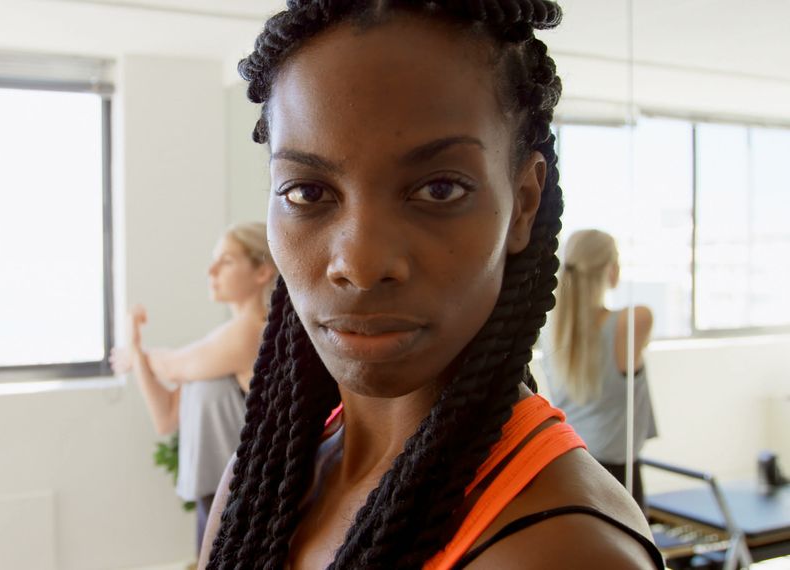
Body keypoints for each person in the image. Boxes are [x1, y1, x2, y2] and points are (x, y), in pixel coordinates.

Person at [199, 1, 665, 569]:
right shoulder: (259, 481)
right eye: (307, 192)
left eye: (440, 189)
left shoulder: (563, 552)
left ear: (522, 205)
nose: (361, 263)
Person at [109, 222, 276, 556]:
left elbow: (173, 365)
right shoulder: (218, 344)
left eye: (226, 261)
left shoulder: (252, 332)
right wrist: (137, 350)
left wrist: (139, 355)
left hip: (247, 504)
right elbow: (166, 418)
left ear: (262, 271)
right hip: (213, 499)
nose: (210, 270)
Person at [544, 229, 658, 512]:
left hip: (570, 464)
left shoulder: (553, 332)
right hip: (615, 474)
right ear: (610, 269)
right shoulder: (632, 321)